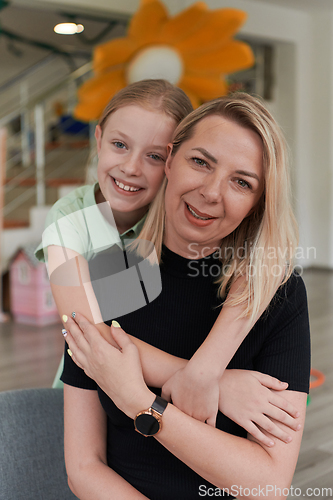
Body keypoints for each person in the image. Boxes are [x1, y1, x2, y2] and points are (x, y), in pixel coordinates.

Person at [60, 93, 311, 500]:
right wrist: (212, 382)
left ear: (257, 203)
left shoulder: (278, 294)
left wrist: (140, 401)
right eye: (201, 162)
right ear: (171, 160)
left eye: (241, 182)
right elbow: (84, 467)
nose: (211, 192)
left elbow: (267, 485)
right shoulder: (101, 272)